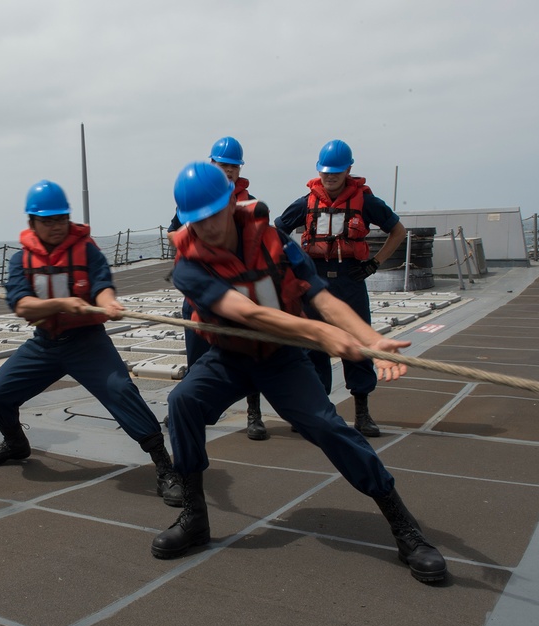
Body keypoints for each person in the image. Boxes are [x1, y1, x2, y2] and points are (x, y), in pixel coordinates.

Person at [151, 161, 446, 584]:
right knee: (183, 402)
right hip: (231, 357)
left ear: (232, 204)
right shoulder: (188, 267)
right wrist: (320, 335)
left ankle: (404, 526)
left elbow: (322, 298)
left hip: (281, 358)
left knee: (328, 427)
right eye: (195, 221)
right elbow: (247, 313)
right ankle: (195, 517)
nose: (208, 228)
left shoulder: (273, 241)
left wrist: (370, 338)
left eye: (214, 214)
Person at [0, 180, 181, 504]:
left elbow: (101, 284)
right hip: (44, 345)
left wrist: (109, 302)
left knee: (121, 390)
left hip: (87, 342)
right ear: (32, 222)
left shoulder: (86, 250)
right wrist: (61, 304)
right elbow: (21, 305)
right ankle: (15, 443)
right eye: (47, 221)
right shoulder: (21, 261)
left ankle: (165, 467)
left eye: (61, 219)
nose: (56, 226)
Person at [275, 139, 407, 437]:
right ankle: (317, 411)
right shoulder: (305, 203)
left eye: (336, 171)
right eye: (325, 172)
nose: (330, 176)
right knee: (312, 347)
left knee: (358, 346)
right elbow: (276, 230)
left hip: (350, 279)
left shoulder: (367, 202)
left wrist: (375, 263)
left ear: (348, 169)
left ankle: (362, 412)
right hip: (314, 279)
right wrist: (290, 264)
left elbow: (398, 231)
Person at [168, 137, 268, 441]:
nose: (228, 171)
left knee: (251, 352)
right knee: (197, 356)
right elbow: (175, 232)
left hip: (238, 290)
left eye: (233, 167)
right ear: (212, 165)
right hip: (201, 290)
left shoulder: (251, 204)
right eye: (223, 165)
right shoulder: (194, 197)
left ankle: (254, 413)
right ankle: (196, 411)